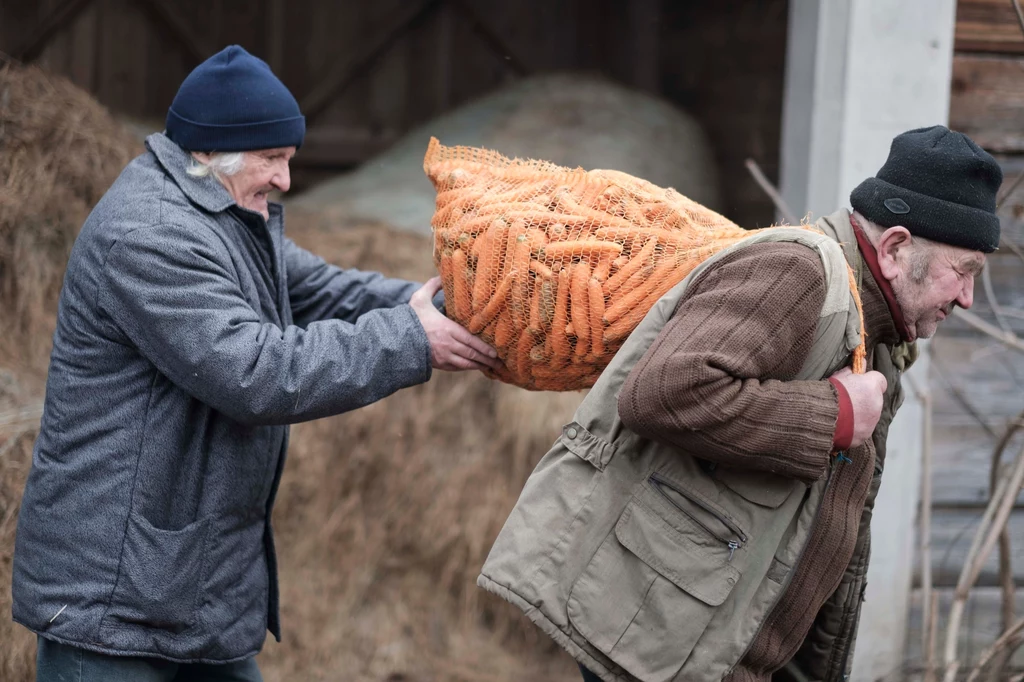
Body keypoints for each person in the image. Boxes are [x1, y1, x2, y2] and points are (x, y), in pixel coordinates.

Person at [12, 45, 498, 681]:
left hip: (191, 592)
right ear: (210, 152)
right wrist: (412, 339)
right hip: (114, 604)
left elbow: (320, 289)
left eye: (287, 160)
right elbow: (257, 374)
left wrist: (455, 302)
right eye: (273, 160)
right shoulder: (149, 235)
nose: (286, 180)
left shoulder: (224, 212)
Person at [477, 125, 1002, 682]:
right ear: (896, 249)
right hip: (655, 645)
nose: (967, 298)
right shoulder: (798, 273)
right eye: (963, 273)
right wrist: (834, 415)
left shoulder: (880, 339)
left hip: (714, 650)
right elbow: (664, 392)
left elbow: (836, 527)